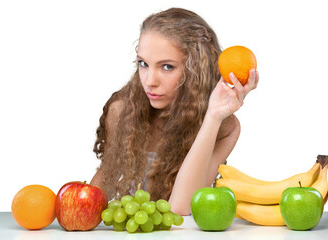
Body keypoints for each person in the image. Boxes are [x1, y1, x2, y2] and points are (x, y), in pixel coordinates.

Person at [90, 7, 259, 215]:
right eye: (143, 64)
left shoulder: (225, 128)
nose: (149, 82)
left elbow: (181, 207)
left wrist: (213, 116)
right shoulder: (124, 111)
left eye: (167, 67)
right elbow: (101, 183)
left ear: (196, 70)